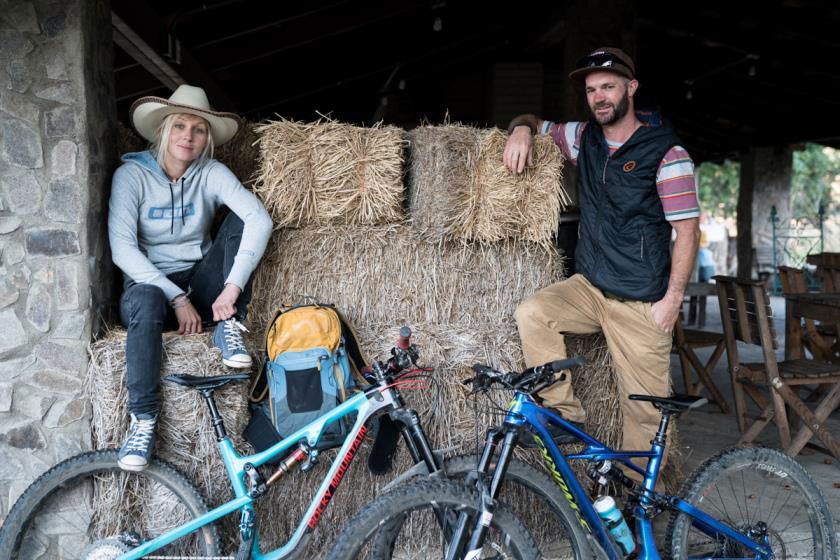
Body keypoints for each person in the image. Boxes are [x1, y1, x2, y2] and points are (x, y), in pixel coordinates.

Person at [502, 47, 700, 465]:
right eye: (592, 90)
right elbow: (535, 123)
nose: (599, 97)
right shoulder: (583, 138)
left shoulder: (667, 154)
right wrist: (521, 130)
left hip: (640, 301)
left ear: (631, 88)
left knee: (644, 415)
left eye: (608, 87)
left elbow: (687, 232)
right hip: (591, 287)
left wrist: (671, 303)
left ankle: (637, 513)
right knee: (533, 312)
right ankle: (561, 412)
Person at [109, 85, 273, 471]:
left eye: (198, 129)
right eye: (180, 126)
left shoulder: (211, 172)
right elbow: (121, 249)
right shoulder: (130, 176)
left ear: (206, 139)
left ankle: (227, 323)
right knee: (147, 297)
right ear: (163, 131)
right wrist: (175, 298)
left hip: (202, 286)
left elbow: (258, 220)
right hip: (150, 289)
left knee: (239, 222)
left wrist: (230, 289)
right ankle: (143, 421)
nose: (188, 136)